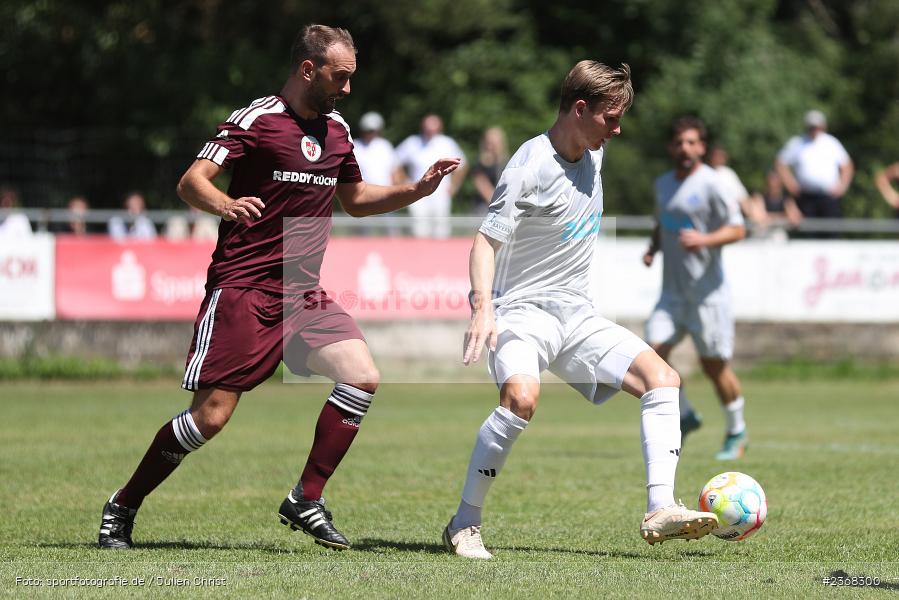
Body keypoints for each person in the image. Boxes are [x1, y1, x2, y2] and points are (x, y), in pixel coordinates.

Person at [98, 24, 460, 551]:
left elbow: (355, 199)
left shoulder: (337, 129)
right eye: (340, 77)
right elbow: (191, 181)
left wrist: (416, 189)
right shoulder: (258, 119)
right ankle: (123, 505)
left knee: (362, 376)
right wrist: (224, 204)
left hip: (302, 291)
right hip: (244, 286)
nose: (347, 89)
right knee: (210, 418)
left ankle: (305, 497)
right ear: (308, 70)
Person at [443, 62, 718, 561]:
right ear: (579, 109)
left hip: (577, 316)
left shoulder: (595, 148)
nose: (617, 129)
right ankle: (464, 524)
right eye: (611, 118)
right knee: (521, 399)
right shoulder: (529, 164)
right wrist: (483, 309)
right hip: (523, 314)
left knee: (664, 379)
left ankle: (661, 508)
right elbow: (484, 243)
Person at [642, 117, 748, 462]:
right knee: (652, 354)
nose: (685, 149)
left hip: (708, 295)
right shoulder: (663, 184)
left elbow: (737, 229)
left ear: (701, 147)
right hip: (672, 293)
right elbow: (663, 221)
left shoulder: (714, 184)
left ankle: (736, 430)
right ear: (671, 147)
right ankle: (685, 414)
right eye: (679, 142)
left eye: (692, 142)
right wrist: (653, 247)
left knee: (713, 366)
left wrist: (704, 239)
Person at [775, 110, 853, 237]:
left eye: (817, 126)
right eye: (812, 127)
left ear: (823, 126)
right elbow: (781, 163)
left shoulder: (831, 143)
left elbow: (847, 166)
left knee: (832, 232)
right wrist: (791, 184)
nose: (814, 130)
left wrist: (842, 186)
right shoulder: (797, 143)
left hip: (829, 197)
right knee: (808, 233)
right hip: (806, 197)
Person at [395, 114, 468, 238]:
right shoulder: (412, 143)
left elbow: (462, 165)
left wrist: (454, 186)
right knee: (419, 231)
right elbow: (395, 162)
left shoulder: (447, 143)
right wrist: (404, 183)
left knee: (441, 232)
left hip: (440, 195)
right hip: (417, 195)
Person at [353, 111, 400, 235]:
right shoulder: (355, 146)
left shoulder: (385, 146)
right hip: (365, 196)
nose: (370, 133)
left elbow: (394, 171)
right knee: (363, 234)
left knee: (391, 232)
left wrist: (397, 194)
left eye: (373, 130)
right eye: (368, 130)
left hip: (386, 195)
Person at [743, 170, 803, 237]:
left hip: (779, 235)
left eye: (776, 180)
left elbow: (795, 219)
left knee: (779, 235)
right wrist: (784, 217)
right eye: (772, 180)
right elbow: (759, 218)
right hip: (761, 234)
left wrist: (770, 218)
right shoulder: (759, 198)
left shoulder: (787, 200)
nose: (773, 184)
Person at [470, 126, 509, 215]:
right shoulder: (481, 165)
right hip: (484, 208)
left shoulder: (507, 164)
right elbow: (483, 187)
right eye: (488, 143)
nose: (490, 147)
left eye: (494, 144)